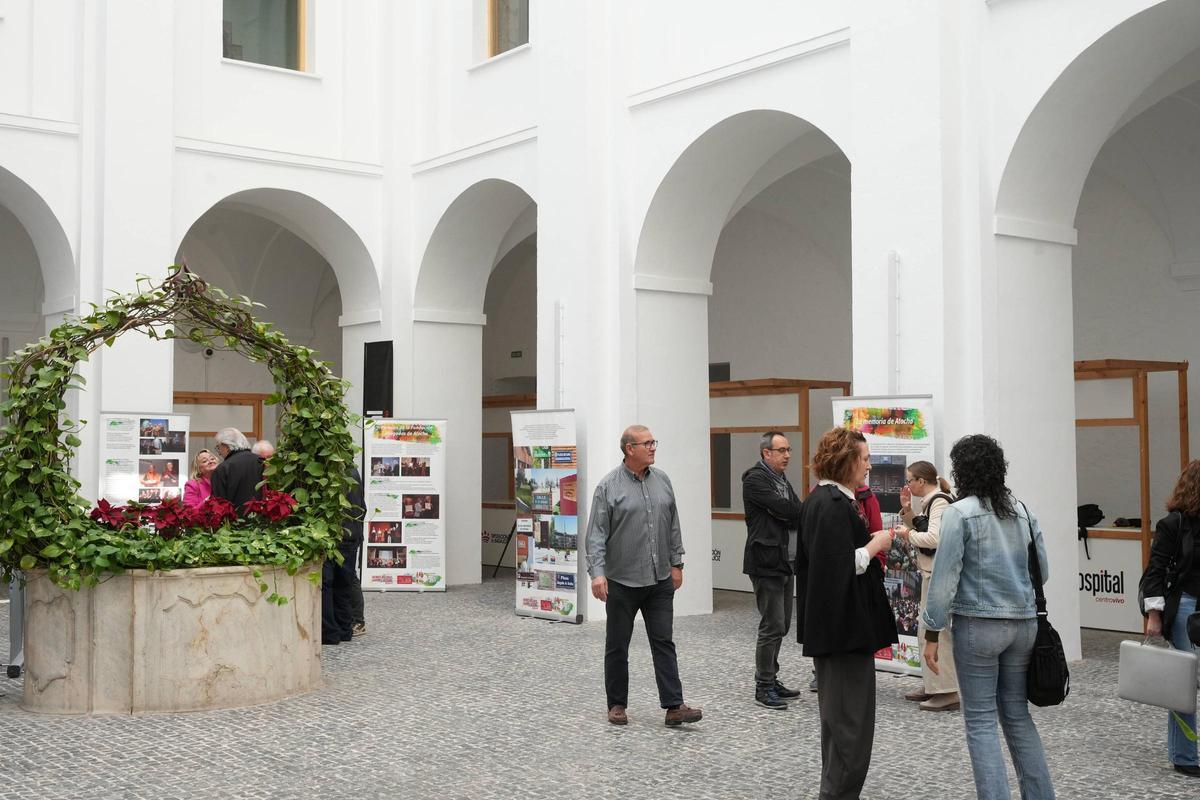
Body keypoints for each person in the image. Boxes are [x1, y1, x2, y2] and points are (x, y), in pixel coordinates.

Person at [922, 434, 1055, 799]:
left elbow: (945, 577)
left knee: (981, 721)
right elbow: (1041, 572)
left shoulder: (959, 513)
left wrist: (932, 633)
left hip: (978, 626)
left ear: (961, 471)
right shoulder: (1023, 511)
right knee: (1017, 716)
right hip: (1024, 625)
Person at [796, 427, 897, 800]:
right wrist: (876, 544)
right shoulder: (829, 505)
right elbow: (835, 566)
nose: (869, 467)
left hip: (844, 631)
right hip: (841, 633)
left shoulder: (831, 501)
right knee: (850, 728)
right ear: (847, 460)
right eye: (865, 459)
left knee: (845, 726)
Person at [585, 424, 702, 728]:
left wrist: (678, 564)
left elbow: (673, 523)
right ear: (629, 449)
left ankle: (674, 706)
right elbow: (596, 535)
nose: (653, 447)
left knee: (664, 641)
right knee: (617, 644)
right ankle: (617, 705)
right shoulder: (608, 486)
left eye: (654, 442)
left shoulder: (662, 480)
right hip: (622, 581)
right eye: (647, 443)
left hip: (660, 579)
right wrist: (597, 574)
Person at [1141, 459, 1200, 777]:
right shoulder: (1173, 524)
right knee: (1184, 683)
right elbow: (1155, 571)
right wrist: (1154, 615)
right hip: (1187, 610)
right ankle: (1185, 756)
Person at [741, 430, 803, 710]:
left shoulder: (781, 480)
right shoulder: (755, 479)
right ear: (767, 453)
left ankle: (771, 677)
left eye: (788, 449)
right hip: (765, 561)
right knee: (772, 625)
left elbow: (796, 510)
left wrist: (790, 511)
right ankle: (763, 686)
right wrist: (789, 511)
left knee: (784, 625)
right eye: (782, 450)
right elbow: (785, 509)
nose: (787, 455)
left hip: (785, 561)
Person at [895, 460, 960, 711]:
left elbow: (933, 538)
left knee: (935, 630)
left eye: (910, 480)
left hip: (936, 573)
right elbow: (925, 528)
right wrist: (907, 511)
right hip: (931, 571)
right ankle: (934, 684)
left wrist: (906, 534)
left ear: (921, 481)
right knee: (927, 631)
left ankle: (946, 691)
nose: (908, 485)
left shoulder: (939, 501)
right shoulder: (934, 501)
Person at [323, 467, 366, 645]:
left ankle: (331, 633)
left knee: (330, 583)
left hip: (340, 535)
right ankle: (344, 630)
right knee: (345, 582)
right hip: (351, 534)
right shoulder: (352, 471)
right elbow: (361, 505)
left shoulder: (333, 472)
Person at [210, 427, 263, 514]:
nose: (219, 453)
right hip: (262, 522)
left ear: (226, 446)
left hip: (234, 524)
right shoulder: (261, 461)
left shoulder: (223, 469)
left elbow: (218, 506)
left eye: (218, 448)